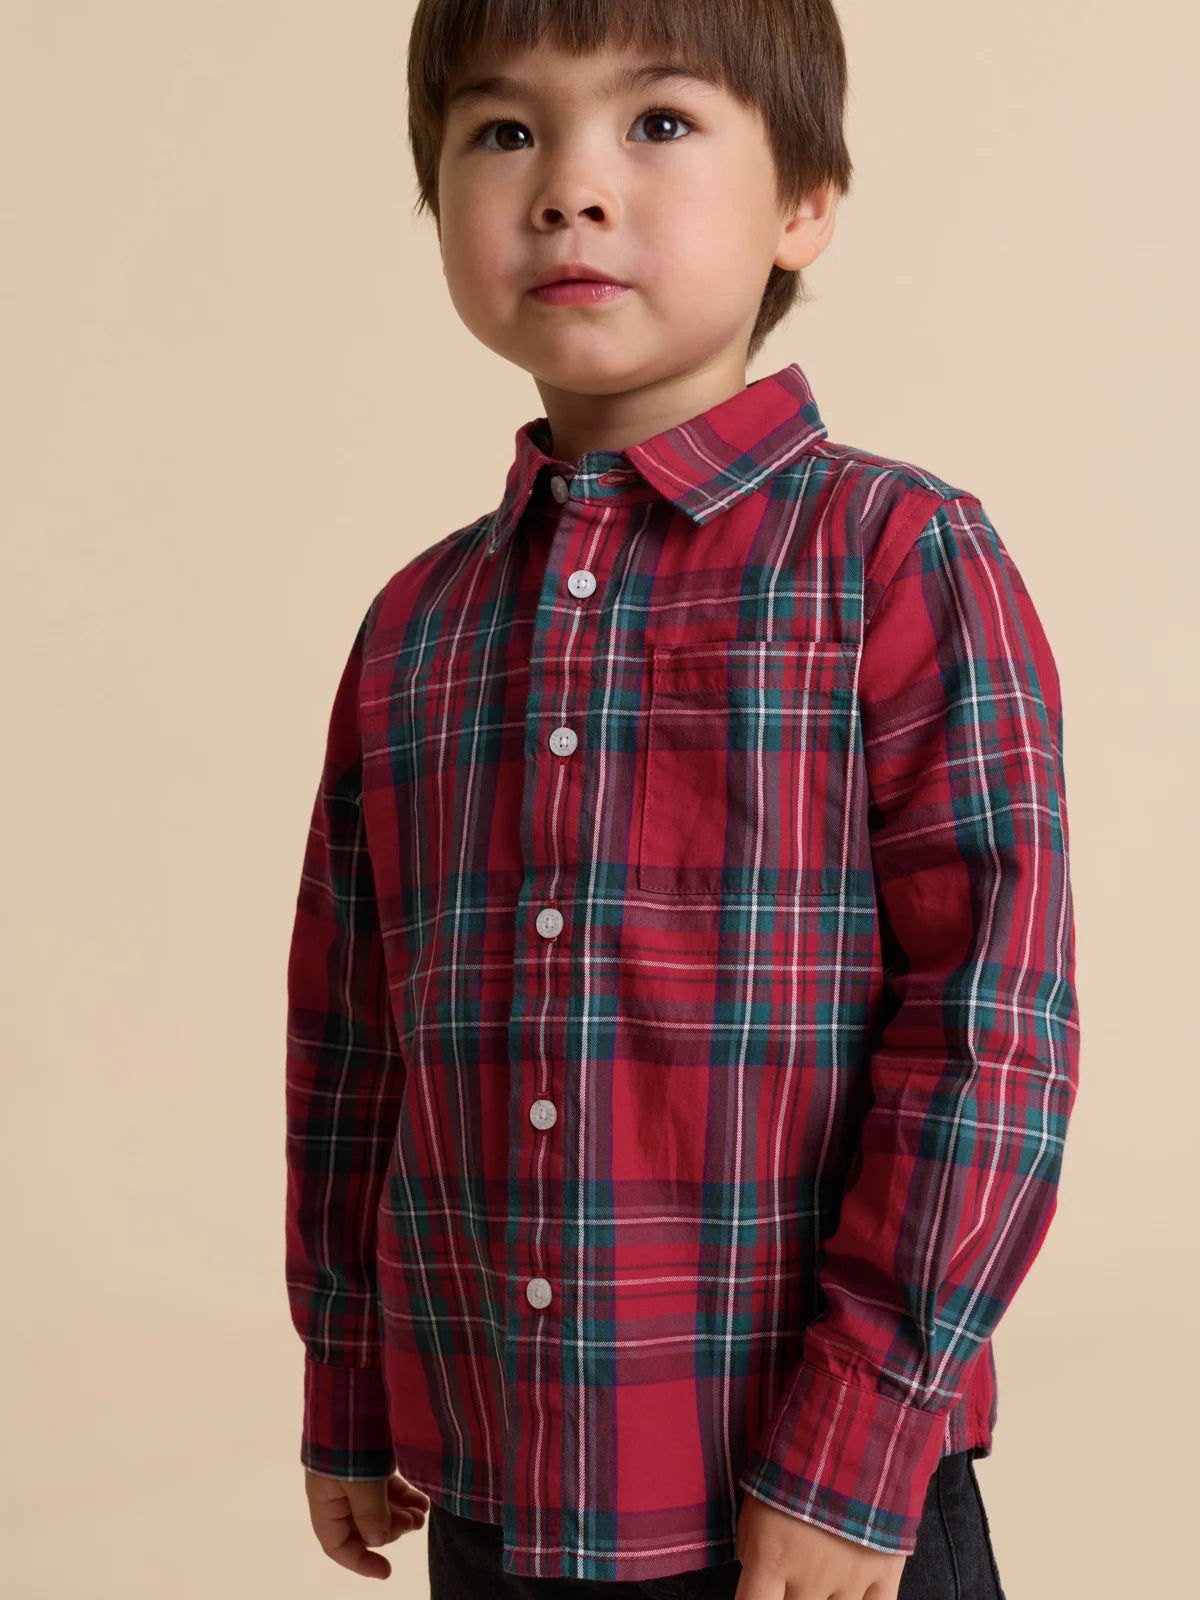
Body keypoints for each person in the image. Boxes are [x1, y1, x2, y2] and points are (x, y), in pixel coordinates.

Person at [284, 2, 1079, 1596]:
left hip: (811, 1492)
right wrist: (349, 1381)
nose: (569, 188)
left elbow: (991, 1036)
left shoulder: (898, 559)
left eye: (657, 123)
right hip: (498, 1488)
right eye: (504, 131)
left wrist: (859, 1441)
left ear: (806, 200)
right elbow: (354, 1048)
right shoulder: (415, 629)